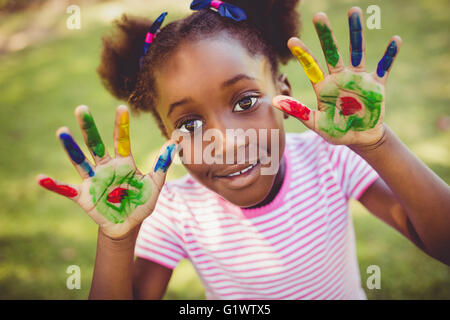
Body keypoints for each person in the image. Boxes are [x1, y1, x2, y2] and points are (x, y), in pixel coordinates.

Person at [37, 0, 450, 299]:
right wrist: (116, 240)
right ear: (168, 134)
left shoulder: (330, 160)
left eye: (245, 101)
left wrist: (378, 143)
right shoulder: (176, 212)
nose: (227, 141)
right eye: (190, 124)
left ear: (284, 93)